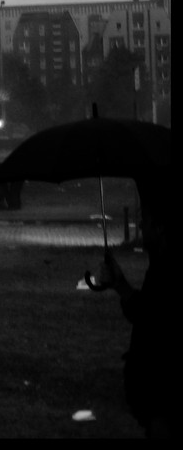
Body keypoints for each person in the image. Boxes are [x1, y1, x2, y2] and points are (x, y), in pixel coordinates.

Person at [96, 170, 179, 439]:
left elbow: (150, 317)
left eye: (146, 221)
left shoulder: (168, 270)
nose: (141, 227)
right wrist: (119, 283)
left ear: (161, 226)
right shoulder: (160, 264)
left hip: (163, 388)